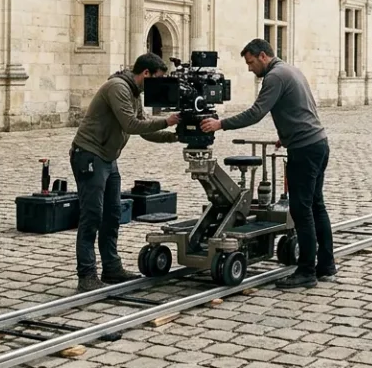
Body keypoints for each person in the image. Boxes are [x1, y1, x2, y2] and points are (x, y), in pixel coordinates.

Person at [199, 39, 335, 289]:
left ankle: (306, 271)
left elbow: (256, 112)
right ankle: (326, 264)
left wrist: (221, 124)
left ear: (263, 56)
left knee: (301, 210)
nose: (250, 69)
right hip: (317, 143)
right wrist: (287, 136)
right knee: (316, 206)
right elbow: (305, 108)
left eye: (250, 63)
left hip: (304, 149)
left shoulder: (274, 76)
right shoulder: (291, 70)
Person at [70, 53, 181, 292]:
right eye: (157, 79)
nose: (158, 85)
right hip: (90, 155)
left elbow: (145, 131)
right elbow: (131, 125)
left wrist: (175, 137)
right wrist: (167, 121)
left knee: (112, 214)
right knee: (92, 216)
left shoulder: (134, 92)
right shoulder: (118, 88)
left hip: (108, 158)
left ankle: (111, 268)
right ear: (146, 74)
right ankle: (86, 275)